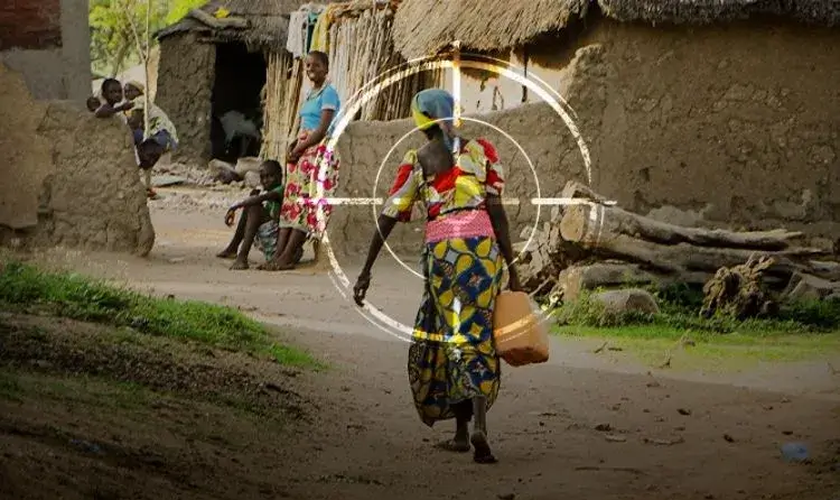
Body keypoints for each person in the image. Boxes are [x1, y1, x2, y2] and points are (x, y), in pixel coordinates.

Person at [352, 88, 523, 465]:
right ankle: (472, 427)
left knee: (450, 336)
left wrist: (366, 270)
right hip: (482, 252)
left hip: (444, 253)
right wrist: (513, 268)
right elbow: (497, 212)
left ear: (420, 119)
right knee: (477, 334)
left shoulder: (418, 159)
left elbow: (389, 215)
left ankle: (465, 432)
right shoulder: (482, 151)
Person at [260, 50, 340, 271]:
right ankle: (277, 255)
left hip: (317, 153)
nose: (311, 70)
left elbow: (322, 129)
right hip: (303, 152)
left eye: (316, 66)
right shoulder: (309, 94)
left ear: (326, 68)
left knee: (304, 205)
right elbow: (305, 126)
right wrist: (293, 145)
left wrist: (300, 147)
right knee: (291, 204)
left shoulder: (329, 94)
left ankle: (286, 257)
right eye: (308, 66)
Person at [216, 160, 285, 270]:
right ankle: (234, 247)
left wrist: (235, 207)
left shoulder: (280, 190)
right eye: (262, 177)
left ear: (280, 176)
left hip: (278, 245)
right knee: (252, 204)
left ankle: (242, 257)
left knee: (254, 208)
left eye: (270, 176)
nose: (265, 181)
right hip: (270, 241)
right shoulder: (268, 192)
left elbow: (261, 199)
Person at [123, 81, 179, 198]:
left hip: (160, 134)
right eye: (125, 91)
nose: (126, 93)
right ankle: (147, 188)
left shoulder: (139, 101)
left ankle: (132, 181)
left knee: (137, 152)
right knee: (146, 161)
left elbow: (134, 123)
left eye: (129, 90)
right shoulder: (144, 103)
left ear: (138, 92)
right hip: (166, 136)